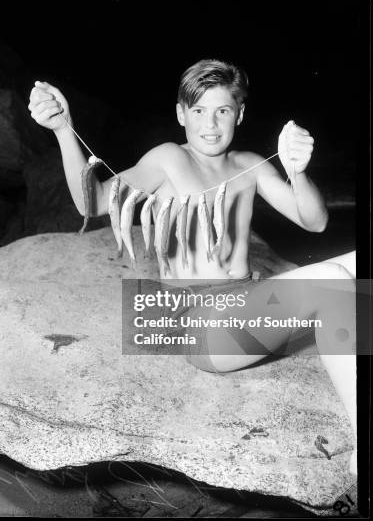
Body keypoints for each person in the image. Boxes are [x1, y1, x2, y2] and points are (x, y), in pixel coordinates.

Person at [28, 59, 357, 474]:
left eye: (222, 110)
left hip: (251, 304)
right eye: (199, 110)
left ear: (240, 113)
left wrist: (298, 172)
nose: (211, 123)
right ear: (181, 114)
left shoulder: (248, 164)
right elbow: (92, 202)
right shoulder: (168, 160)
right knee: (331, 280)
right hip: (204, 326)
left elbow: (316, 221)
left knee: (356, 265)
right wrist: (63, 129)